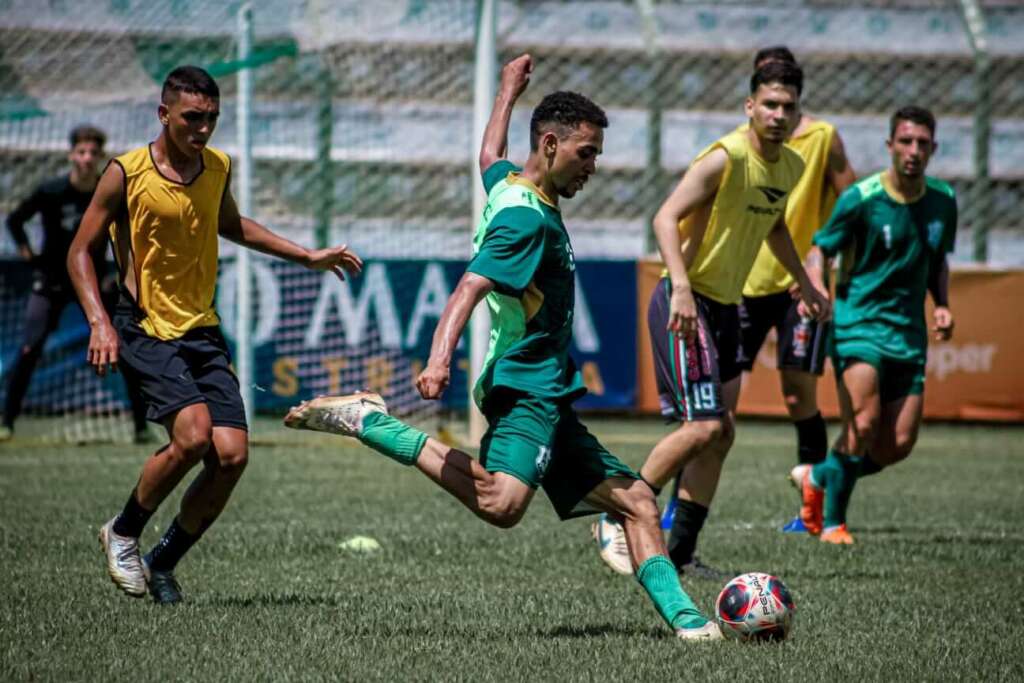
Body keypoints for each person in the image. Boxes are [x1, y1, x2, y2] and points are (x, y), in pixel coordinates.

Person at [284, 54, 722, 641]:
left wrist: (506, 92)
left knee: (639, 502)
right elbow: (470, 284)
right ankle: (372, 422)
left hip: (548, 388)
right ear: (549, 145)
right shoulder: (525, 222)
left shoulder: (511, 185)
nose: (594, 165)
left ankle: (692, 626)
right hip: (526, 386)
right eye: (585, 152)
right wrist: (438, 360)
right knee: (501, 504)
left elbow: (489, 157)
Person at [67, 65, 363, 604]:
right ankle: (124, 531)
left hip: (201, 328)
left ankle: (163, 563)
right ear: (164, 114)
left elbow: (231, 224)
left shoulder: (218, 167)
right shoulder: (125, 172)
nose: (202, 129)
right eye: (192, 118)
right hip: (144, 325)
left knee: (231, 456)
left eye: (211, 119)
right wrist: (99, 321)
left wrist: (306, 255)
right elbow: (79, 251)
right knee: (194, 435)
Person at [592, 61, 830, 578]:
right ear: (750, 107)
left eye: (788, 107)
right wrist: (679, 285)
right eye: (770, 104)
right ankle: (618, 512)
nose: (779, 114)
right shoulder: (727, 157)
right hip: (688, 301)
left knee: (721, 433)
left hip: (727, 308)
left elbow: (775, 229)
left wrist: (806, 282)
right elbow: (664, 216)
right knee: (702, 427)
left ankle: (680, 553)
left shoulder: (789, 166)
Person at [793, 106, 955, 545]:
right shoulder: (862, 199)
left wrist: (941, 304)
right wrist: (815, 286)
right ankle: (833, 524)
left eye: (923, 143)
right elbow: (820, 247)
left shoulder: (943, 200)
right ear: (890, 146)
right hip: (857, 325)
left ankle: (819, 477)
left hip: (908, 335)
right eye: (906, 141)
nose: (914, 151)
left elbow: (938, 259)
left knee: (896, 445)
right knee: (862, 425)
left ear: (933, 149)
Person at [736, 47, 857, 534]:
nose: (778, 109)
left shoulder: (824, 139)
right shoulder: (744, 147)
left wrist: (822, 258)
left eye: (785, 96)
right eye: (767, 90)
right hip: (742, 282)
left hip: (798, 287)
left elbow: (852, 201)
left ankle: (813, 511)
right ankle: (681, 510)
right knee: (717, 401)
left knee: (797, 396)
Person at [1, 125, 149, 443]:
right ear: (72, 155)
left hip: (93, 286)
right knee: (29, 348)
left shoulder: (107, 193)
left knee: (121, 350)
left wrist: (116, 274)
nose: (87, 158)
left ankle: (140, 426)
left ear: (100, 158)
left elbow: (125, 236)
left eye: (93, 153)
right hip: (51, 282)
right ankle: (7, 421)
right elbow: (14, 221)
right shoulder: (51, 191)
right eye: (81, 152)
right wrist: (31, 257)